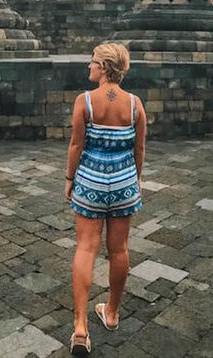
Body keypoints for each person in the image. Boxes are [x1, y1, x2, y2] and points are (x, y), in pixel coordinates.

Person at [65, 43, 146, 356]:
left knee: (86, 248)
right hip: (124, 181)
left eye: (93, 62)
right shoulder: (135, 105)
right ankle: (111, 313)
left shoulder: (84, 101)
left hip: (90, 181)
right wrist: (134, 180)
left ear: (104, 68)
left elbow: (75, 146)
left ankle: (81, 328)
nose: (89, 67)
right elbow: (139, 149)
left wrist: (70, 179)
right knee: (120, 249)